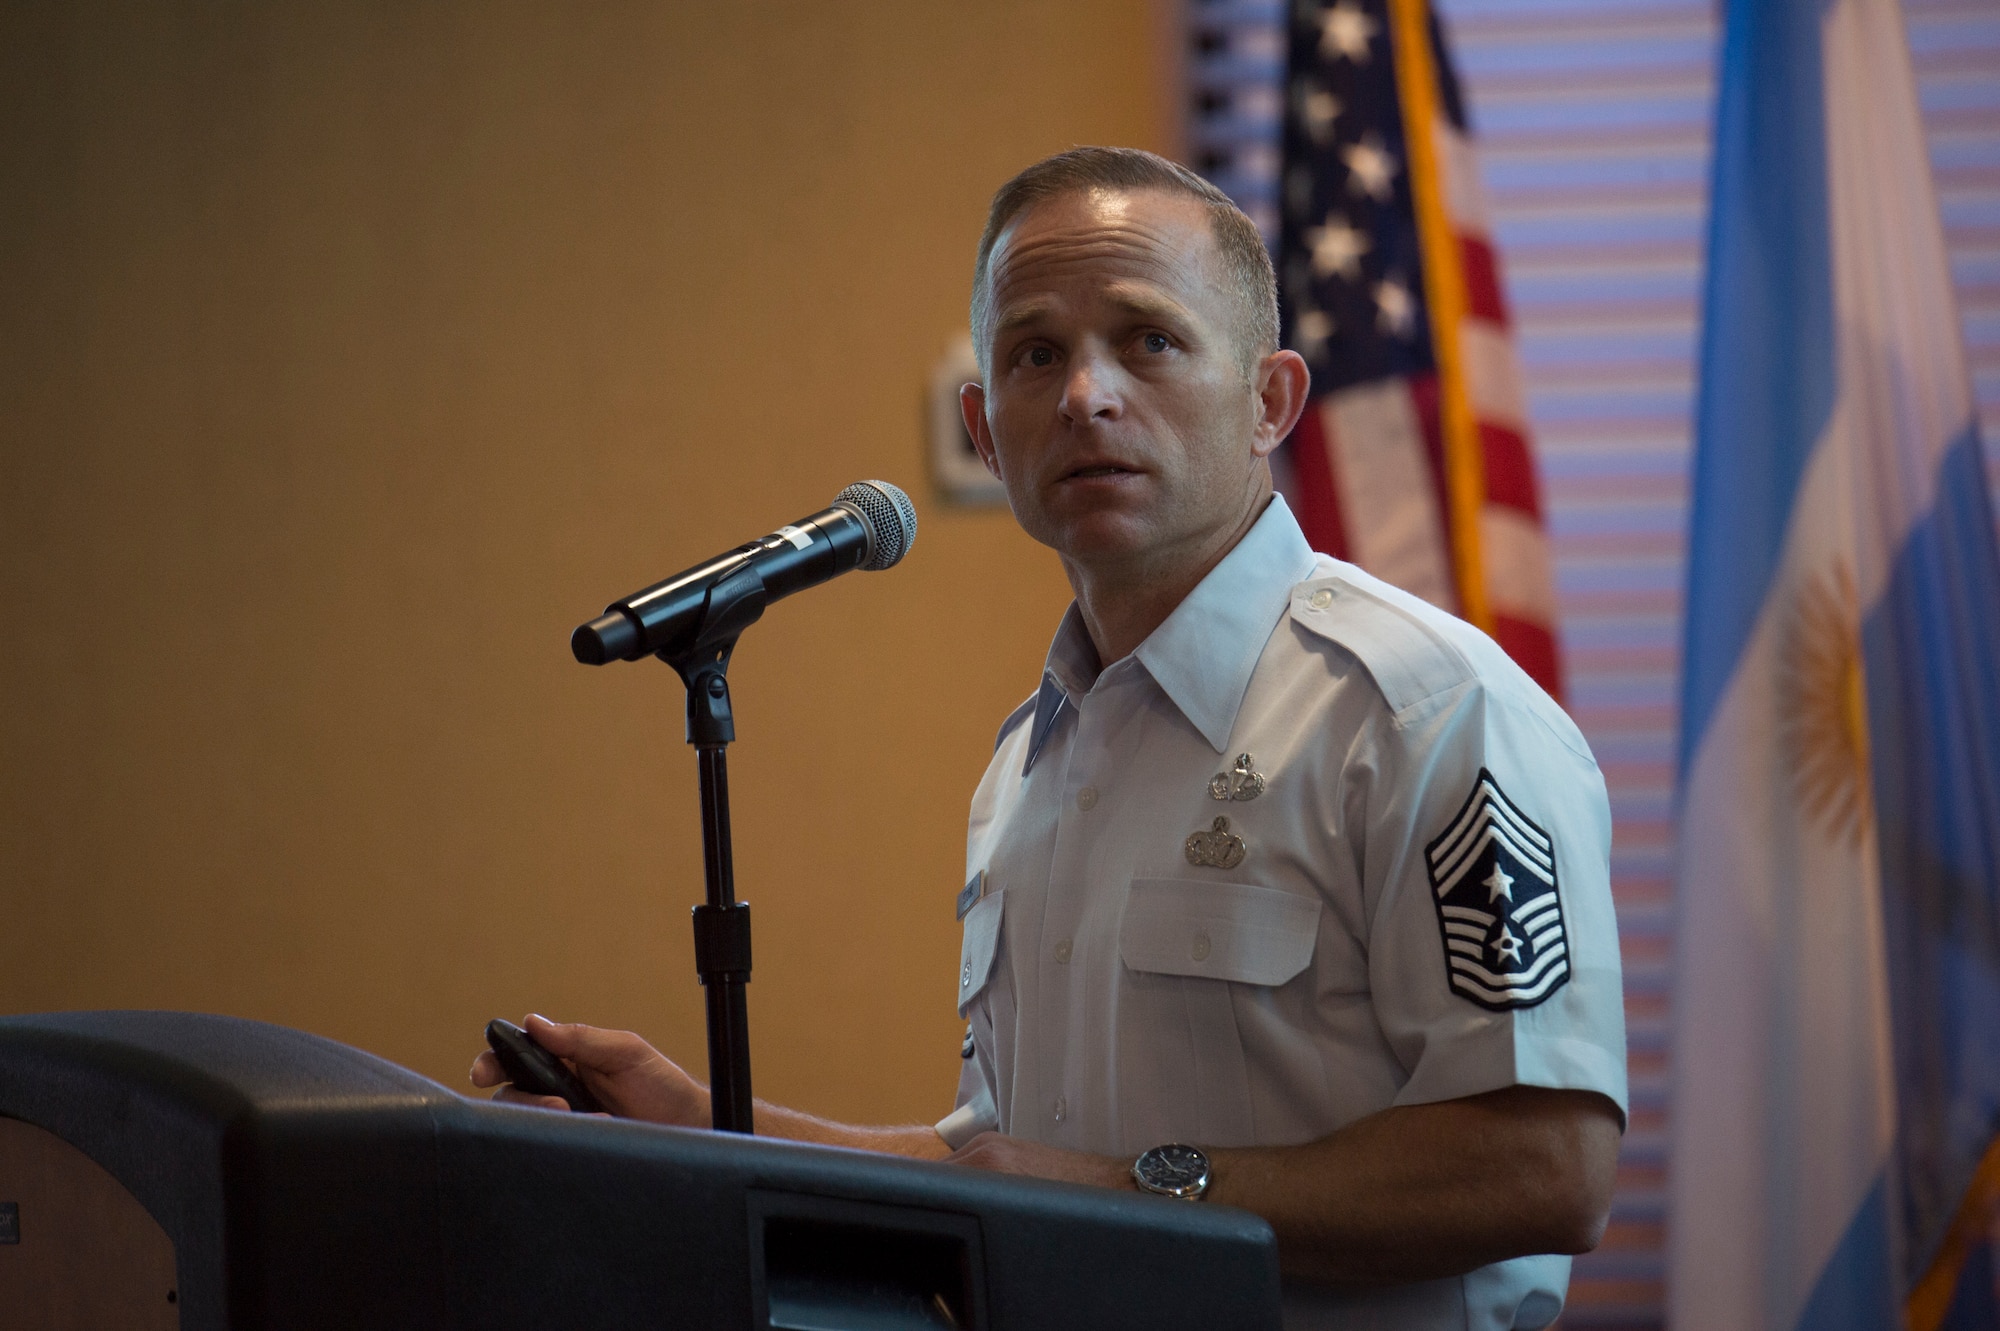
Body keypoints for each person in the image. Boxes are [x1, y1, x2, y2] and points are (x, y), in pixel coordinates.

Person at [473, 147, 1625, 1328]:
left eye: (1148, 340)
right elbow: (996, 1168)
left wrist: (1134, 1189)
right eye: (1034, 354)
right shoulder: (1028, 766)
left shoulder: (1423, 711)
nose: (1084, 395)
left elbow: (1545, 1168)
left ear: (1269, 402)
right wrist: (688, 1123)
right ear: (983, 427)